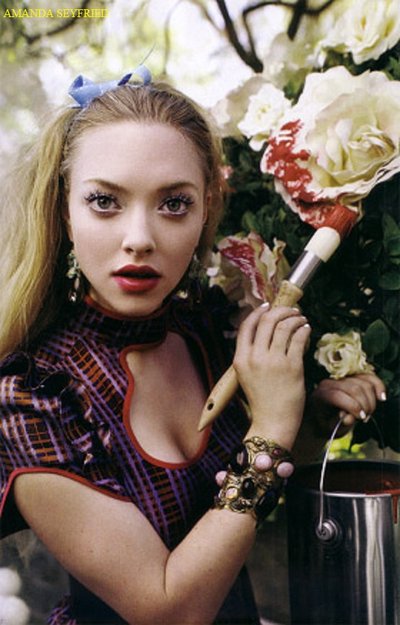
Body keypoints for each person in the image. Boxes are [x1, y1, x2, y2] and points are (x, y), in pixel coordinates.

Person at [0, 69, 386, 625]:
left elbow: (236, 490)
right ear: (64, 209)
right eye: (105, 201)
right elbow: (169, 609)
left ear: (207, 206)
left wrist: (309, 417)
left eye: (174, 204)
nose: (139, 238)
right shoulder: (34, 393)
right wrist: (271, 428)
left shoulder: (204, 325)